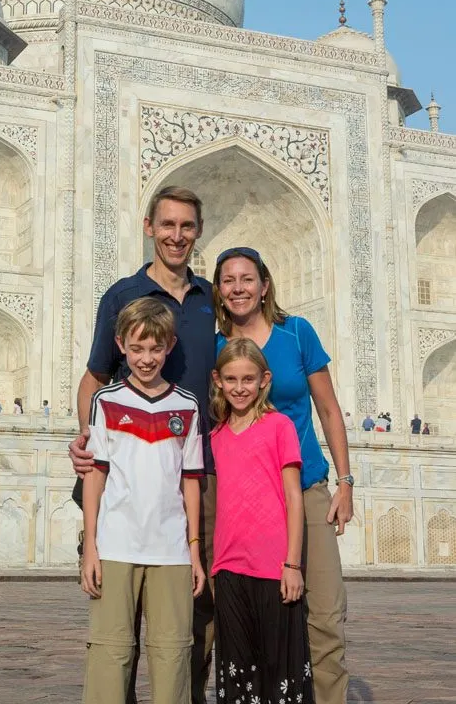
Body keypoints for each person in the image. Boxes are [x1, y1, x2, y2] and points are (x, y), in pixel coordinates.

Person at [69, 186, 216, 704]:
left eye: (188, 226)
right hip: (124, 489)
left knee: (187, 632)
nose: (177, 236)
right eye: (168, 225)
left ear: (198, 231)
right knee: (114, 638)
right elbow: (93, 379)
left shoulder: (210, 298)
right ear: (149, 226)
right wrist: (85, 438)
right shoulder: (123, 295)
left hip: (195, 475)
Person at [213, 246, 351, 704]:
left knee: (324, 615)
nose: (238, 288)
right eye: (229, 280)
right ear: (219, 289)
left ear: (264, 284)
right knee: (225, 616)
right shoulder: (214, 347)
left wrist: (345, 482)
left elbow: (328, 409)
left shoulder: (296, 334)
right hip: (239, 498)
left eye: (247, 279)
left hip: (304, 487)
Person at [81, 297, 205, 704]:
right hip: (116, 543)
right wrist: (90, 547)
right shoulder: (107, 401)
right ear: (120, 345)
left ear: (169, 346)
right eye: (137, 349)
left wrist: (195, 552)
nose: (146, 359)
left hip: (170, 548)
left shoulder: (186, 406)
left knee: (173, 653)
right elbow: (96, 475)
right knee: (110, 651)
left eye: (155, 349)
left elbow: (190, 482)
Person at [211, 337, 314, 704]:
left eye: (248, 379)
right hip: (228, 567)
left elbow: (293, 498)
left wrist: (292, 563)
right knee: (237, 672)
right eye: (232, 379)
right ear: (218, 380)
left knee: (280, 667)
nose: (240, 388)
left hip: (274, 568)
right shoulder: (216, 435)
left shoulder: (279, 426)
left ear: (264, 379)